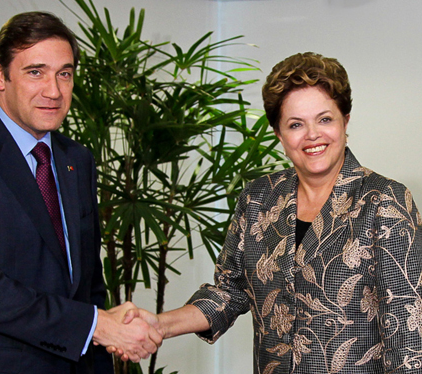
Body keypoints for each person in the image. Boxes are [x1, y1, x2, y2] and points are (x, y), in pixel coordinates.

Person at [114, 52, 422, 373]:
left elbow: (409, 331)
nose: (312, 134)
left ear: (345, 120)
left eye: (325, 119)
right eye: (295, 124)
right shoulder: (259, 198)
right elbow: (229, 293)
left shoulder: (384, 201)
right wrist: (159, 324)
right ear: (279, 134)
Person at [0, 11, 161, 374]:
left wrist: (103, 340)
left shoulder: (75, 159)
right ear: (0, 76)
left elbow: (87, 285)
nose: (54, 90)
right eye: (36, 72)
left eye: (64, 74)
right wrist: (96, 325)